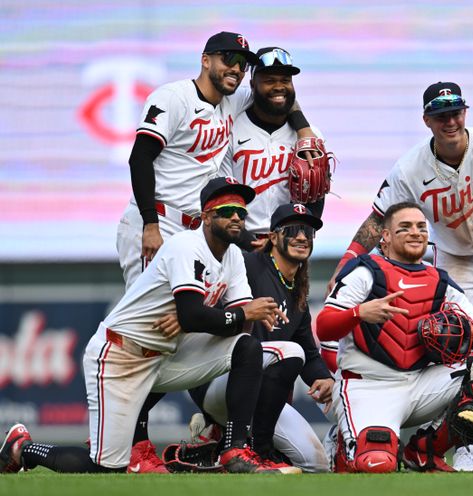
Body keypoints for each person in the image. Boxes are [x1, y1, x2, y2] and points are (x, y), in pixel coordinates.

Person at [328, 81, 473, 471]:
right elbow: (377, 219)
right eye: (441, 115)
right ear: (427, 121)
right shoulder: (410, 167)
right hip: (456, 259)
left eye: (456, 112)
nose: (450, 121)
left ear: (465, 113)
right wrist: (351, 257)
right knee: (461, 345)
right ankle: (465, 448)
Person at [0, 178, 287, 474]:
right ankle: (23, 449)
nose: (237, 217)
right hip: (121, 355)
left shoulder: (234, 258)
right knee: (106, 467)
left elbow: (232, 325)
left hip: (165, 355)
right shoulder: (186, 245)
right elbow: (196, 315)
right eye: (227, 210)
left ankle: (235, 450)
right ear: (206, 216)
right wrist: (225, 316)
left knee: (246, 347)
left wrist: (221, 317)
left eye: (242, 212)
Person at [118, 32, 315, 288]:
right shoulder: (173, 97)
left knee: (185, 318)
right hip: (159, 218)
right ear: (205, 60)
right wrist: (150, 224)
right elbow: (140, 159)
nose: (235, 69)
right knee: (145, 317)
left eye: (242, 64)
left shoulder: (233, 100)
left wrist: (304, 129)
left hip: (196, 229)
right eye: (228, 58)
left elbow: (279, 95)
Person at [316, 202, 473, 473]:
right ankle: (343, 445)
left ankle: (425, 452)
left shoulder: (438, 280)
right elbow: (324, 326)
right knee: (377, 465)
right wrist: (359, 313)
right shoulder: (365, 271)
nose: (415, 233)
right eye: (404, 228)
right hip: (369, 386)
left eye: (421, 227)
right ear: (386, 236)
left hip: (420, 384)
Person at [187, 203, 333, 473]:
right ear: (273, 237)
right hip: (218, 380)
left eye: (308, 231)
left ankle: (213, 452)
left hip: (258, 395)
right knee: (289, 352)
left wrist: (323, 378)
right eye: (293, 229)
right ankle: (258, 450)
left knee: (317, 464)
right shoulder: (249, 264)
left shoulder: (297, 289)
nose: (302, 236)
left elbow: (309, 354)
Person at [219, 47, 326, 252]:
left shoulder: (310, 137)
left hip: (288, 245)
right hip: (238, 243)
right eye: (269, 80)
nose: (279, 87)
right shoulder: (231, 129)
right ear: (252, 84)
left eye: (285, 80)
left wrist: (289, 239)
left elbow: (315, 199)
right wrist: (247, 241)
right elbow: (224, 191)